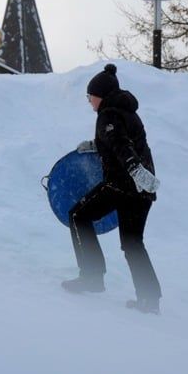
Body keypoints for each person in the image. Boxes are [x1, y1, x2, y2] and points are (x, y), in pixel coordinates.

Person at [62, 63, 162, 314]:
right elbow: (118, 139)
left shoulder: (108, 114)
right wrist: (94, 145)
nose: (89, 101)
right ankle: (149, 299)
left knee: (78, 215)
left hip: (123, 185)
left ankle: (92, 276)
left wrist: (135, 171)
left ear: (101, 95)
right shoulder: (126, 112)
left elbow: (121, 146)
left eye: (90, 96)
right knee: (132, 243)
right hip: (142, 190)